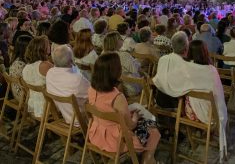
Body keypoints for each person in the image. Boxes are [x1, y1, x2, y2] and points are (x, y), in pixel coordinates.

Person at [153, 32, 227, 160]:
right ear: (186, 48)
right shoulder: (189, 67)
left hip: (159, 101)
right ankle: (199, 133)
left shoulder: (164, 59)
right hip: (186, 109)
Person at [88, 52, 160, 164]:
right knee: (153, 130)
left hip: (96, 134)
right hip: (117, 140)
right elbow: (131, 125)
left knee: (142, 117)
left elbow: (107, 109)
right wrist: (135, 117)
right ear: (116, 72)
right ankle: (149, 159)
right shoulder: (117, 96)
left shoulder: (92, 89)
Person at [46, 45, 90, 125]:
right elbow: (93, 94)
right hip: (81, 119)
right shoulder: (77, 79)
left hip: (64, 115)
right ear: (71, 60)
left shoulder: (50, 73)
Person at [22, 36, 53, 118]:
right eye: (48, 44)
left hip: (34, 104)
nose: (50, 45)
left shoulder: (26, 68)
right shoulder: (45, 65)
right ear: (42, 49)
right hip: (49, 106)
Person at [103, 31, 141, 96]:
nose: (122, 40)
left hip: (111, 88)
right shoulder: (123, 55)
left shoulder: (103, 54)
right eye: (120, 38)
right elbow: (135, 69)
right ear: (115, 42)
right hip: (129, 88)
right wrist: (136, 61)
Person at [9, 35, 32, 101]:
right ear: (26, 48)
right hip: (24, 96)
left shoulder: (16, 60)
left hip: (16, 94)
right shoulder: (22, 65)